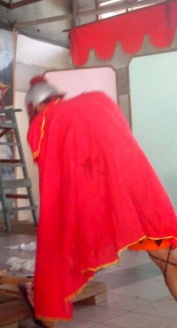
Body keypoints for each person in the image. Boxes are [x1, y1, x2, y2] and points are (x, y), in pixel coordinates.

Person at [20, 76, 177, 327]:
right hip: (136, 193)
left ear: (36, 106)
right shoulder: (98, 101)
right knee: (166, 259)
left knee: (58, 256)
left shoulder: (45, 122)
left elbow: (54, 179)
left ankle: (45, 313)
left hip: (94, 201)